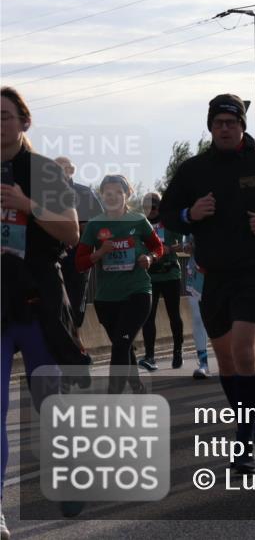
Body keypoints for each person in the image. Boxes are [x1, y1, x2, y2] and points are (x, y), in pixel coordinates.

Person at [159, 94, 255, 474]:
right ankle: (244, 416)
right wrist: (192, 213)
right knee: (224, 358)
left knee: (242, 349)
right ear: (210, 127)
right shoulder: (193, 170)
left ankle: (244, 437)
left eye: (231, 122)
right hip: (211, 273)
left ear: (242, 125)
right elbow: (169, 213)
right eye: (218, 122)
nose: (225, 128)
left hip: (253, 269)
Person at [2, 86, 90, 531]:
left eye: (4, 116)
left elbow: (72, 233)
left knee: (49, 400)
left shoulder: (42, 171)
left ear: (24, 122)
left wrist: (26, 205)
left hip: (38, 299)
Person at [75, 176, 164, 393]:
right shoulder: (95, 224)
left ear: (127, 195)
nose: (113, 197)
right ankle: (136, 385)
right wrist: (100, 253)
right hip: (106, 299)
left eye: (118, 193)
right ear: (102, 196)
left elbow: (158, 247)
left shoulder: (138, 221)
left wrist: (150, 258)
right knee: (122, 343)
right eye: (107, 193)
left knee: (121, 343)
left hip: (138, 291)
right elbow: (79, 263)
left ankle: (113, 398)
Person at [53, 156, 104, 329]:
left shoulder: (85, 193)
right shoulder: (45, 195)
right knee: (54, 306)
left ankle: (75, 345)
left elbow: (102, 223)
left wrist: (85, 228)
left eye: (63, 168)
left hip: (79, 258)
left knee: (75, 307)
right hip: (52, 258)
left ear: (71, 171)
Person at [138, 191, 185, 371]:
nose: (151, 211)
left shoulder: (169, 222)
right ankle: (150, 356)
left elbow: (182, 244)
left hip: (170, 273)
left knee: (174, 314)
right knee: (148, 316)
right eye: (147, 207)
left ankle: (178, 350)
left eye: (154, 207)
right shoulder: (142, 224)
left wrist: (168, 249)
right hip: (150, 275)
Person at [182, 236, 211, 379]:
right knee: (198, 318)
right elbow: (185, 243)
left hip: (222, 273)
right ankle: (203, 363)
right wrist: (187, 246)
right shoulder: (191, 217)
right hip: (197, 274)